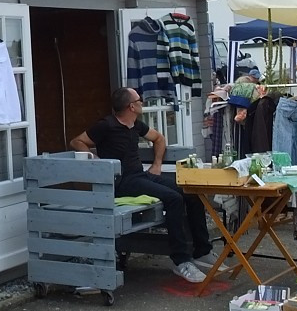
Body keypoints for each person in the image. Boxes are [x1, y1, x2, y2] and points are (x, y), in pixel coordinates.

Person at [69, 87, 219, 284]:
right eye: (139, 100)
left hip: (141, 176)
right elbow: (77, 141)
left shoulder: (136, 125)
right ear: (131, 106)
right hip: (123, 182)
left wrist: (157, 165)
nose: (142, 102)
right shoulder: (106, 125)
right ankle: (181, 261)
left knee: (191, 192)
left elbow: (159, 139)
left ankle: (202, 251)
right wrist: (96, 160)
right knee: (173, 199)